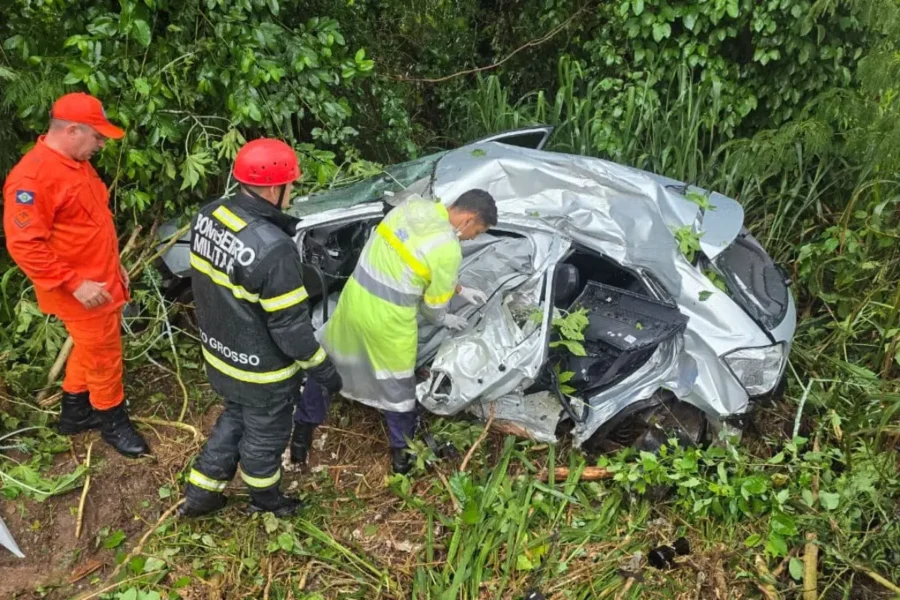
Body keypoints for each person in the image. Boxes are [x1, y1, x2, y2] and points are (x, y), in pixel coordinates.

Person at [179, 138, 343, 518]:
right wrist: (324, 371)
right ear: (273, 189)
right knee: (264, 440)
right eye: (291, 184)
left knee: (235, 416)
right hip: (262, 373)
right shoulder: (274, 250)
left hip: (220, 357)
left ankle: (201, 494)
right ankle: (266, 499)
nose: (292, 191)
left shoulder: (209, 215)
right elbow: (290, 330)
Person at [291, 189, 497, 474]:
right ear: (469, 219)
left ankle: (300, 439)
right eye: (478, 231)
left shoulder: (411, 208)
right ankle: (402, 459)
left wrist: (459, 288)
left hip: (353, 306)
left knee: (327, 368)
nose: (474, 238)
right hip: (388, 324)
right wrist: (445, 319)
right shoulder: (448, 248)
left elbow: (410, 260)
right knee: (398, 388)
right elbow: (432, 308)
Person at [2, 92, 149, 458]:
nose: (101, 144)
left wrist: (114, 267)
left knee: (90, 347)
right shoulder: (32, 178)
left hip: (101, 280)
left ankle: (75, 413)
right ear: (71, 131)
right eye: (97, 136)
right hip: (81, 291)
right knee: (103, 356)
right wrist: (75, 283)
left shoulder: (75, 163)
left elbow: (89, 224)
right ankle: (112, 420)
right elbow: (25, 245)